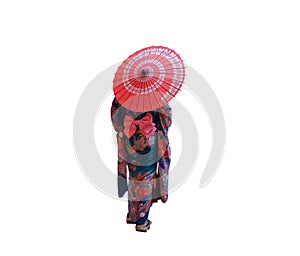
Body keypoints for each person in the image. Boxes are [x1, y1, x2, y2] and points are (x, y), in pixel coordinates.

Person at [111, 97, 172, 232]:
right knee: (145, 180)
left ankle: (132, 214)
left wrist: (129, 123)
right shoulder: (156, 96)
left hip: (129, 141)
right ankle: (141, 221)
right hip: (148, 144)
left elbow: (115, 120)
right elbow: (167, 119)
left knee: (134, 178)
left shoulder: (122, 95)